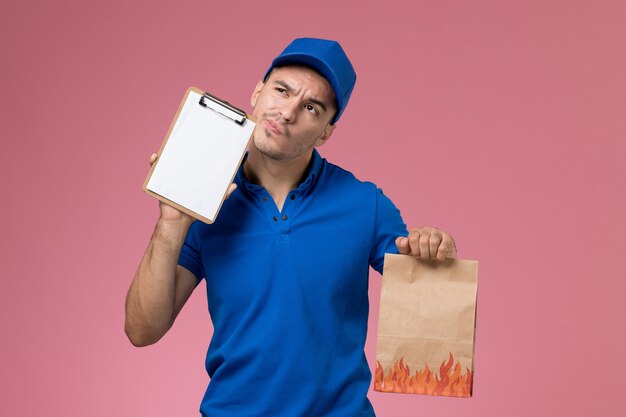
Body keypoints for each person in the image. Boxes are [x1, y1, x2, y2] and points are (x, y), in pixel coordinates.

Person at [125, 37, 457, 417]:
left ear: (326, 131)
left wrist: (435, 249)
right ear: (257, 91)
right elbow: (141, 331)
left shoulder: (366, 204)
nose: (287, 112)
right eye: (281, 91)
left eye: (311, 107)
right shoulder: (207, 200)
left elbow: (430, 297)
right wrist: (171, 221)